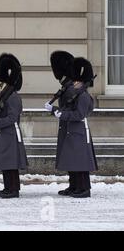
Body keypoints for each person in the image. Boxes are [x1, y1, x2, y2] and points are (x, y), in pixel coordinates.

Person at [46, 57, 98, 198]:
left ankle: (84, 189)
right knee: (73, 161)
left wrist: (61, 114)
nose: (74, 83)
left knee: (81, 163)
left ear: (82, 82)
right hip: (72, 131)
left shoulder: (83, 97)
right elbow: (68, 109)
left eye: (77, 81)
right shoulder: (77, 95)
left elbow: (79, 115)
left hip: (79, 131)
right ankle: (74, 186)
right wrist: (54, 110)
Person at [0, 53, 28, 199]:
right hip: (4, 133)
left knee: (11, 163)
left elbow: (12, 118)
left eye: (1, 83)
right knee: (5, 163)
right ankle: (8, 187)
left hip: (10, 133)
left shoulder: (13, 97)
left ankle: (13, 189)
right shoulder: (5, 96)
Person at [44, 51, 76, 196]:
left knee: (75, 159)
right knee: (69, 158)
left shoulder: (71, 88)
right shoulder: (66, 86)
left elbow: (73, 111)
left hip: (72, 129)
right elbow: (64, 110)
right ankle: (74, 185)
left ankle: (80, 186)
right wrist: (54, 110)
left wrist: (58, 111)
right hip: (66, 127)